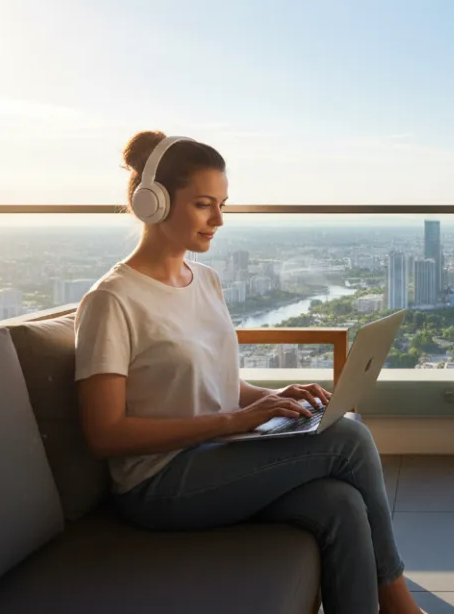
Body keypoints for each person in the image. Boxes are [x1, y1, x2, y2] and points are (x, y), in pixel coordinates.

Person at [74, 130, 425, 614]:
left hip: (219, 454)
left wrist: (274, 397)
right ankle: (400, 604)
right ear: (153, 202)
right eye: (203, 204)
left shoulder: (207, 281)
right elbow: (104, 434)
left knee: (340, 505)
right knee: (349, 439)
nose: (218, 219)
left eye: (222, 204)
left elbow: (218, 385)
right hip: (157, 484)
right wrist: (229, 423)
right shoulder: (112, 300)